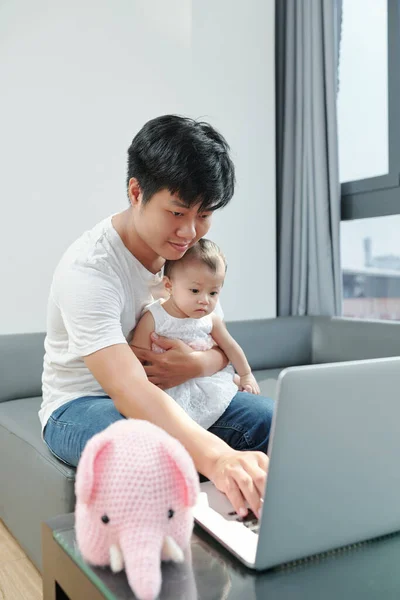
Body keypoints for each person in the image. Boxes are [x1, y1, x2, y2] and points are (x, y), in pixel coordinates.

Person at [39, 115, 274, 519]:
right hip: (82, 404)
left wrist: (198, 363)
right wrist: (217, 457)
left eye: (204, 215)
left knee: (270, 421)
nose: (190, 232)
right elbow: (128, 387)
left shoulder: (188, 257)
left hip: (175, 393)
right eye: (178, 212)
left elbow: (215, 335)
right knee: (147, 449)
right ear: (136, 191)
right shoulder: (90, 269)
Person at [132, 238, 260, 432]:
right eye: (195, 291)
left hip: (205, 381)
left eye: (213, 293)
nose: (204, 301)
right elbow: (136, 354)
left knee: (232, 389)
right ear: (169, 286)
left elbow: (231, 347)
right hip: (167, 385)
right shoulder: (155, 317)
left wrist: (246, 375)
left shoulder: (211, 319)